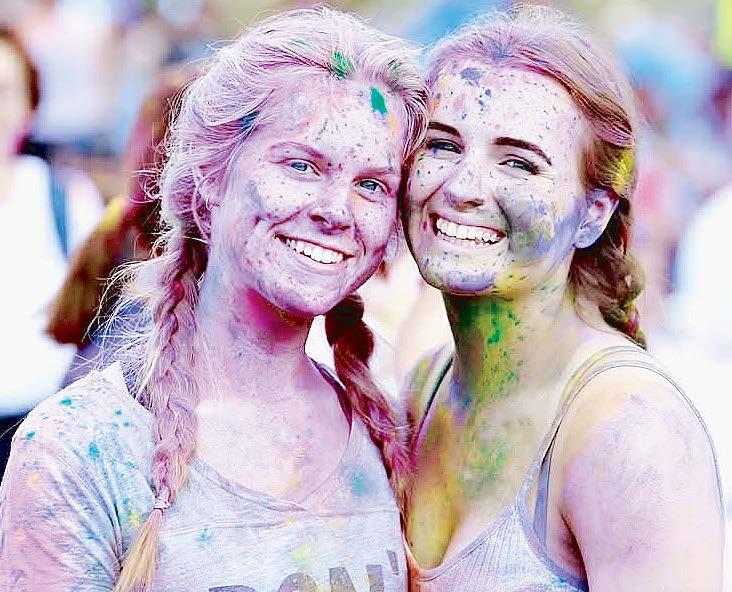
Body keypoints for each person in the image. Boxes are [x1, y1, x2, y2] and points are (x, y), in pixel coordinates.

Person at [0, 8, 427, 591]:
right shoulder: (84, 446)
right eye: (301, 165)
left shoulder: (388, 433)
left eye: (372, 184)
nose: (336, 210)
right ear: (209, 173)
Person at [400, 6, 724, 591]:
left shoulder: (630, 431)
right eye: (443, 145)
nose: (463, 188)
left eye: (518, 162)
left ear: (593, 214)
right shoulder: (423, 389)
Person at [0, 25, 103, 473]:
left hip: (46, 439)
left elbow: (103, 317)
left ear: (29, 106)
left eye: (4, 92)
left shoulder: (68, 198)